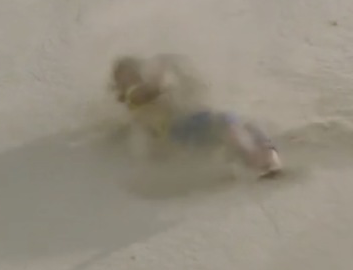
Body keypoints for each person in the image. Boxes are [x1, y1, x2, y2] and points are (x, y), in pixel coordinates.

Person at [110, 54, 283, 178]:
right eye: (125, 78)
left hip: (190, 126)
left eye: (132, 74)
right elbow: (148, 96)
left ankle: (264, 154)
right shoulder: (136, 98)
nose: (132, 80)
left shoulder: (144, 99)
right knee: (226, 123)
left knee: (243, 125)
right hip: (181, 130)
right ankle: (257, 160)